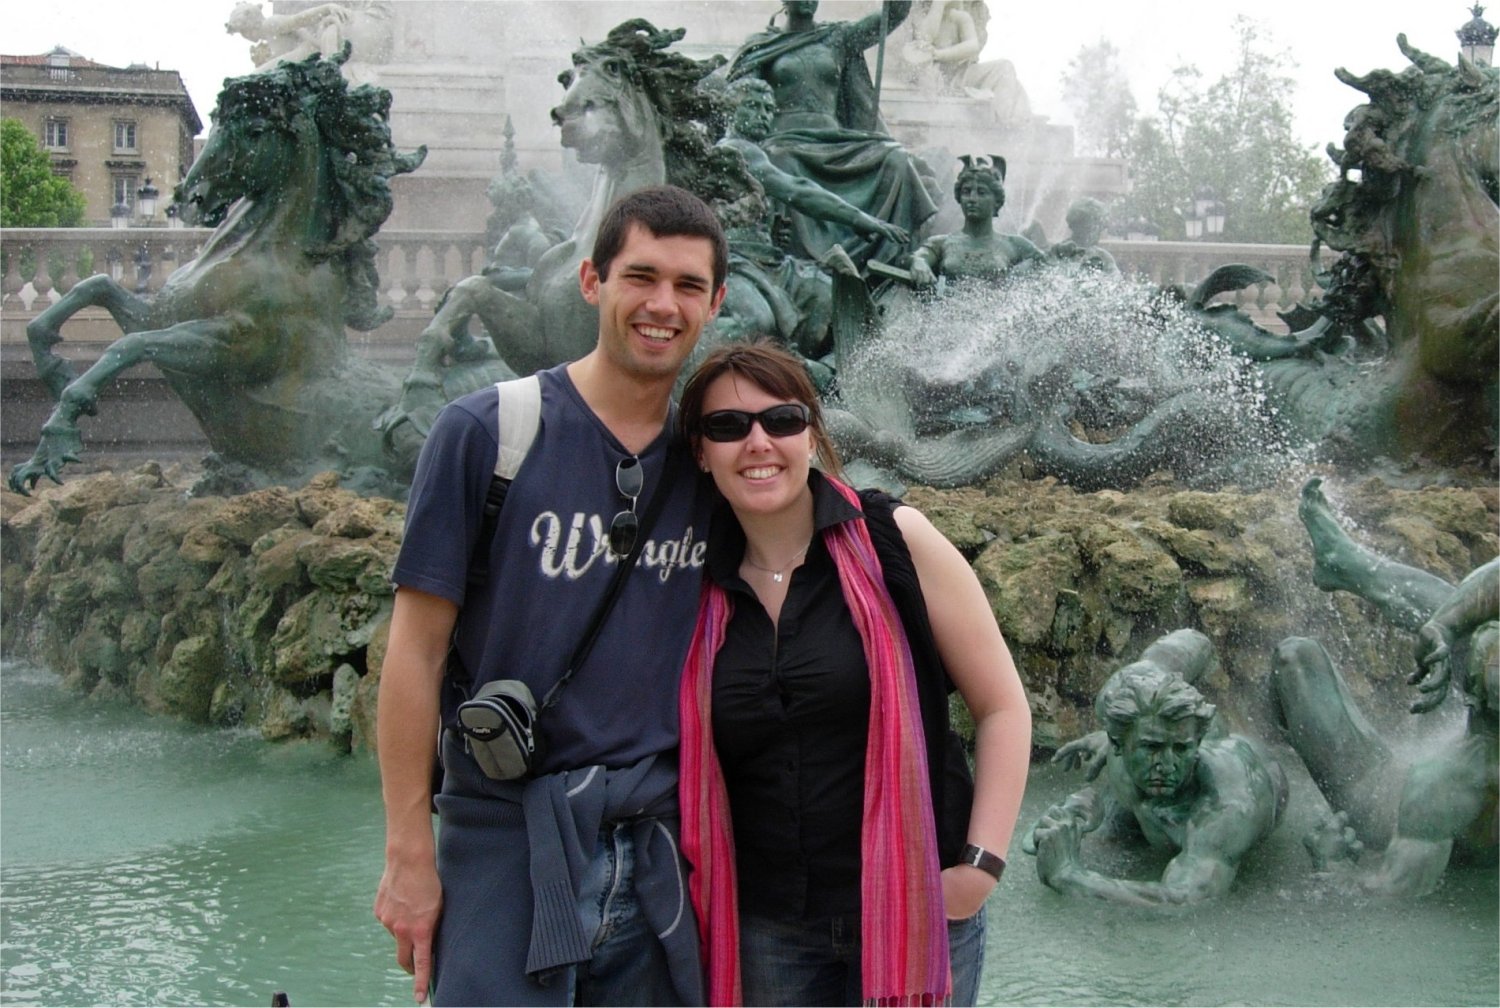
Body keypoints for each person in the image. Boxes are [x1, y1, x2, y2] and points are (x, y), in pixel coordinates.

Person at [373, 185, 728, 1006]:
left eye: (687, 286)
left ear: (714, 304)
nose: (663, 305)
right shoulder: (487, 432)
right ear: (591, 281)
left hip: (663, 851)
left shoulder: (714, 460)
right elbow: (415, 652)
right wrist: (407, 852)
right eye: (641, 276)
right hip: (506, 841)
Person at [672, 341, 1032, 1005]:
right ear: (701, 450)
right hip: (768, 930)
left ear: (811, 434)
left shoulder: (897, 539)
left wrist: (980, 867)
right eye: (728, 426)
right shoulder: (690, 585)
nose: (758, 442)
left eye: (781, 419)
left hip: (917, 906)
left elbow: (1002, 705)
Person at [1275, 477, 1499, 897]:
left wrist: (1331, 862)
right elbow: (1389, 894)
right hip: (1390, 797)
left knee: (1296, 656)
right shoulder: (1449, 785)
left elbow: (1380, 895)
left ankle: (1347, 564)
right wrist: (1443, 627)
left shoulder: (1454, 783)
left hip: (1398, 792)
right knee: (1297, 657)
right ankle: (1348, 564)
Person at [1023, 630, 1288, 907]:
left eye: (1182, 749)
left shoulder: (1229, 805)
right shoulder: (1121, 701)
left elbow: (1184, 899)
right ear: (1117, 742)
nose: (1167, 764)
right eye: (1151, 747)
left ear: (1196, 744)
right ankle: (1090, 802)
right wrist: (1086, 806)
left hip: (1255, 777)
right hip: (1141, 761)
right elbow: (1187, 642)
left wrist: (1068, 875)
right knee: (1115, 827)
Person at [727, 1, 939, 269]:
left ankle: (892, 255)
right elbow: (742, 96)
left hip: (837, 140)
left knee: (895, 158)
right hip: (785, 139)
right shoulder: (762, 45)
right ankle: (796, 258)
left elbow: (893, 14)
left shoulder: (837, 37)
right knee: (780, 160)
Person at [909, 156, 1044, 289]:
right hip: (948, 303)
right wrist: (918, 261)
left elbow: (1046, 264)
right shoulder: (941, 243)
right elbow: (915, 256)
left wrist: (1019, 276)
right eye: (966, 192)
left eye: (981, 192)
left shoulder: (1014, 244)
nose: (972, 199)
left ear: (997, 201)